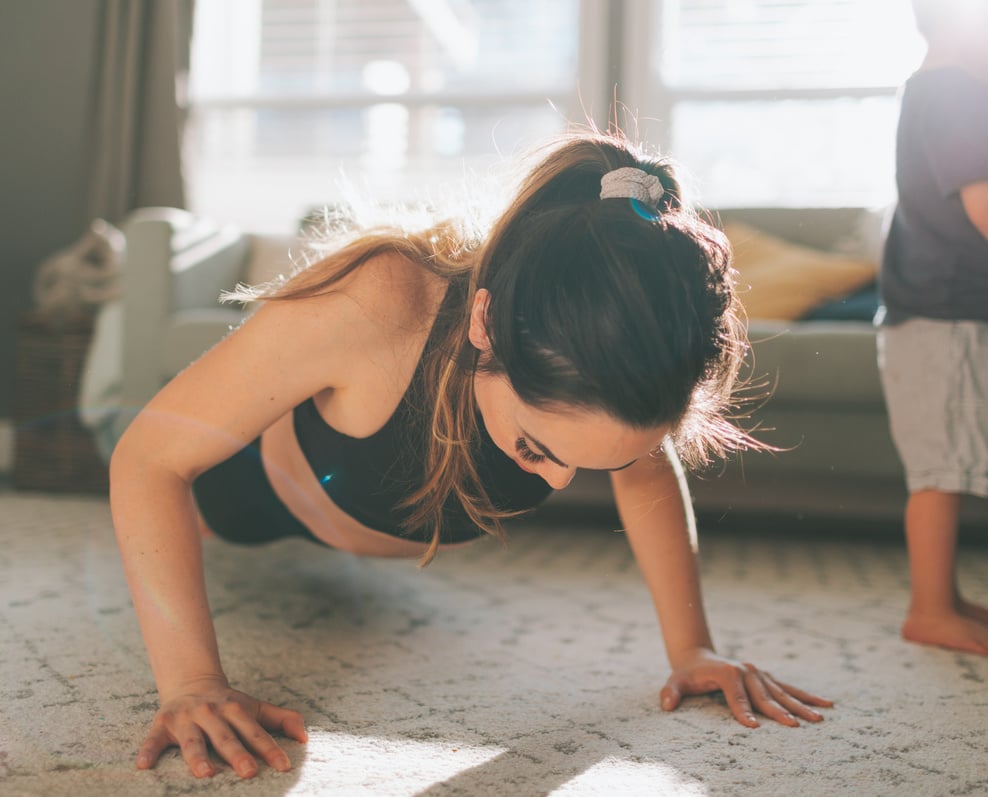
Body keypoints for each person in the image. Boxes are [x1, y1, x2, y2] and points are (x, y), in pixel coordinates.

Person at [109, 130, 833, 780]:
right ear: (485, 321)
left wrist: (693, 649)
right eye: (537, 447)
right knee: (113, 443)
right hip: (244, 496)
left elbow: (645, 468)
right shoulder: (380, 301)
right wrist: (190, 683)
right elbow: (149, 460)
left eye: (591, 463)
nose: (557, 479)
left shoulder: (601, 366)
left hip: (361, 533)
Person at [877, 0, 988, 656]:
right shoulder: (954, 95)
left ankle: (944, 598)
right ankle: (928, 608)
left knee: (946, 461)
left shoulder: (939, 89)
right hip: (941, 313)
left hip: (939, 310)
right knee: (940, 469)